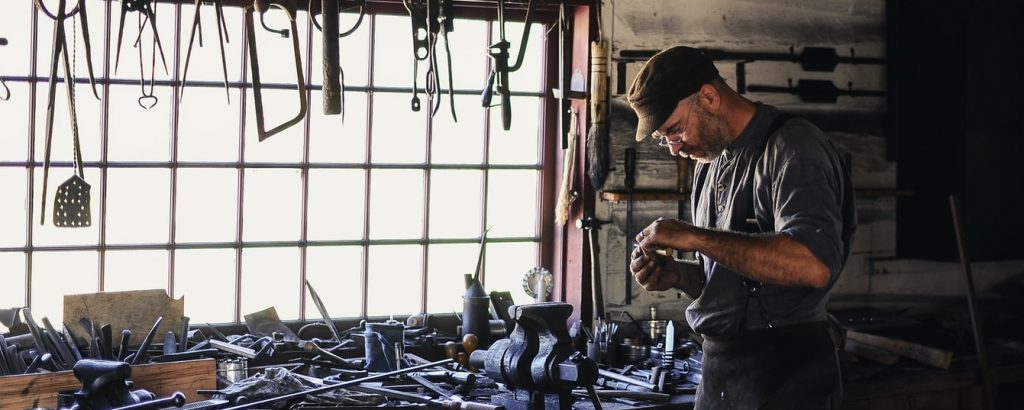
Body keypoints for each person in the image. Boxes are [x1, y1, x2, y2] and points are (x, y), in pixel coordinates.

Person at [626, 46, 857, 409]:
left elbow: (813, 265)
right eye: (663, 139)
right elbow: (733, 284)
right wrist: (677, 276)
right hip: (721, 372)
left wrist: (696, 237)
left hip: (787, 373)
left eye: (674, 130)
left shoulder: (792, 148)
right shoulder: (708, 165)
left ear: (709, 97)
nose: (673, 148)